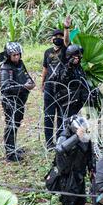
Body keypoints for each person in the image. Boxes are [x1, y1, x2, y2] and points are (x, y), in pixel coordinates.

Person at [50, 115, 95, 205]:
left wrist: (92, 168)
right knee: (68, 204)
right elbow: (59, 149)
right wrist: (76, 137)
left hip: (79, 173)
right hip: (67, 176)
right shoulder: (64, 136)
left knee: (80, 200)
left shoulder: (85, 136)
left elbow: (89, 153)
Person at [0, 42, 35, 162]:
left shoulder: (20, 64)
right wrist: (24, 87)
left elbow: (25, 74)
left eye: (18, 54)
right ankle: (10, 153)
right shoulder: (5, 68)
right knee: (11, 125)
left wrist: (30, 81)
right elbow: (5, 88)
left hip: (20, 99)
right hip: (10, 101)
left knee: (16, 123)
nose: (17, 57)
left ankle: (13, 147)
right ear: (8, 55)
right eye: (14, 55)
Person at [42, 16, 72, 150]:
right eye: (56, 36)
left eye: (60, 36)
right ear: (51, 39)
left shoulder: (65, 50)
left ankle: (60, 140)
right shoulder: (47, 52)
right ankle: (49, 143)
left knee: (60, 115)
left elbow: (66, 41)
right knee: (48, 115)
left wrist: (66, 27)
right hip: (49, 87)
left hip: (62, 88)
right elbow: (45, 68)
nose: (58, 38)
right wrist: (42, 82)